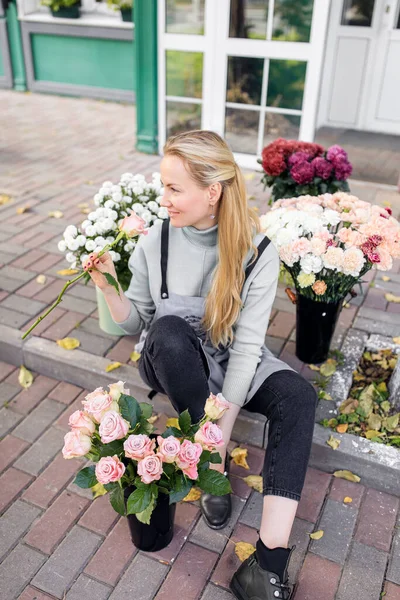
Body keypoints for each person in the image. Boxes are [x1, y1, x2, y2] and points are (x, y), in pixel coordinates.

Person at [83, 130, 317, 600]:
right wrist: (110, 290)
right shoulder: (156, 242)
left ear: (212, 192)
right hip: (172, 359)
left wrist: (223, 424)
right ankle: (209, 461)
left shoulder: (257, 252)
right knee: (168, 334)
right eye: (163, 185)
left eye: (174, 188)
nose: (163, 198)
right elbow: (139, 325)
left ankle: (268, 563)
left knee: (299, 396)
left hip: (230, 356)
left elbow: (248, 348)